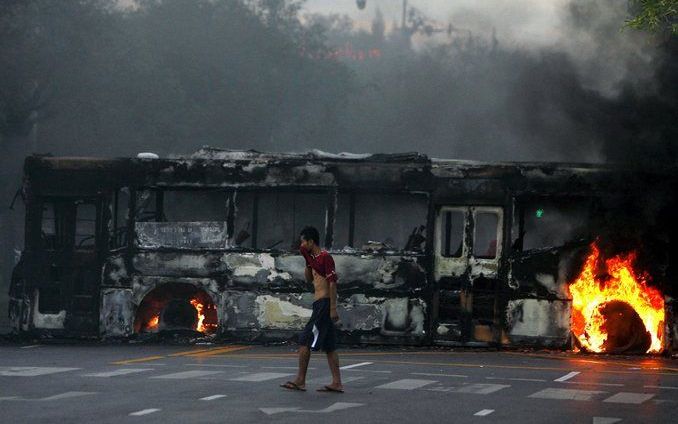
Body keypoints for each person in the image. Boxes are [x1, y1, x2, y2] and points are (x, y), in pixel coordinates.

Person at [280, 226, 343, 393]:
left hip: (324, 304)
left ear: (311, 241)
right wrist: (307, 260)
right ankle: (337, 382)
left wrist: (333, 308)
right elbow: (309, 280)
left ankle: (300, 380)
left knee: (305, 340)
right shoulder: (314, 260)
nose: (301, 244)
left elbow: (332, 283)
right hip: (319, 303)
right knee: (329, 346)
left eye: (303, 241)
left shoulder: (325, 258)